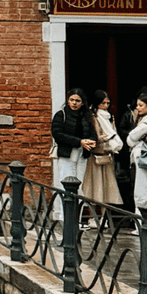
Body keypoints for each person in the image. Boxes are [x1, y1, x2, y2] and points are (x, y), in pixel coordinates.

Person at [50, 88, 95, 223]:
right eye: (72, 100)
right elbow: (57, 134)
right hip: (66, 154)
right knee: (66, 185)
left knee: (79, 187)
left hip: (82, 155)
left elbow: (93, 133)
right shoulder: (61, 114)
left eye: (77, 101)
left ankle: (76, 218)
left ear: (82, 102)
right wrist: (79, 142)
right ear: (68, 100)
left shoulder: (87, 116)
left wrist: (91, 142)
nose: (74, 103)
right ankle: (65, 219)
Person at [79, 91, 122, 229]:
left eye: (108, 103)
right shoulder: (93, 116)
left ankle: (104, 217)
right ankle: (93, 217)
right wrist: (107, 138)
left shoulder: (110, 117)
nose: (106, 106)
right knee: (94, 187)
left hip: (108, 154)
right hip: (96, 155)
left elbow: (113, 132)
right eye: (103, 103)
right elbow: (95, 135)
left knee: (107, 188)